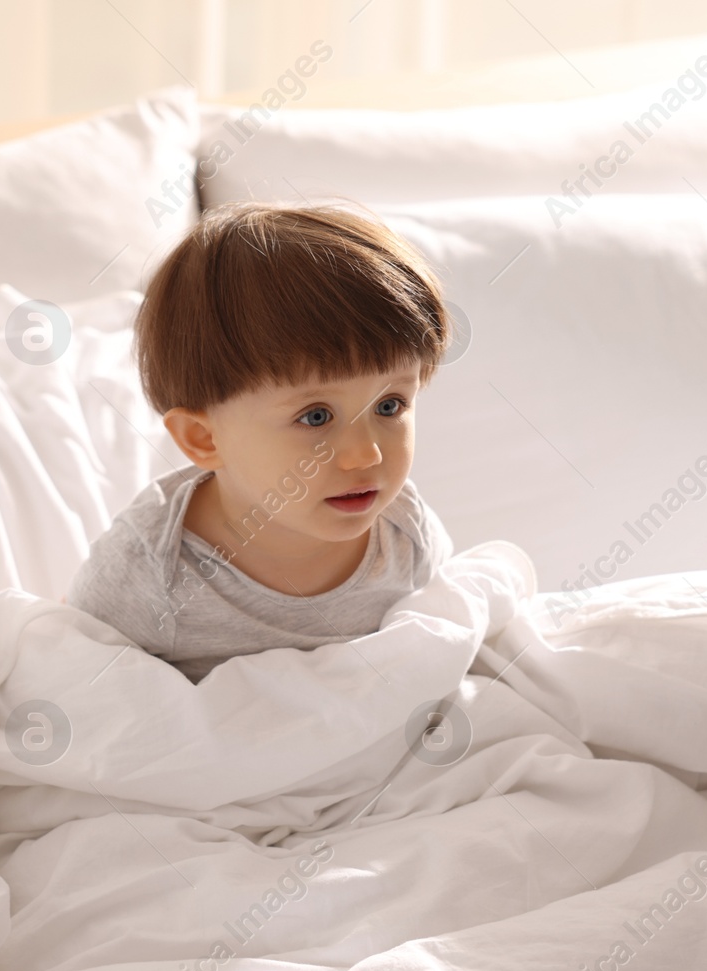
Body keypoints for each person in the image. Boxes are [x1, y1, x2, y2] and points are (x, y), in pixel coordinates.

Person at [66, 203, 454, 682]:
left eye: (390, 406)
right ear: (203, 438)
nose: (366, 454)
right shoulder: (147, 575)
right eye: (315, 417)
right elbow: (78, 684)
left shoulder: (404, 533)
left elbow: (441, 651)